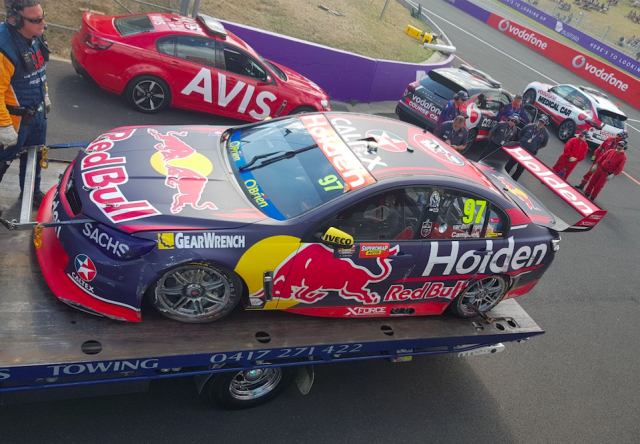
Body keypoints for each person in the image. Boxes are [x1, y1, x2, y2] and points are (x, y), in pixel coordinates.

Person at [0, 0, 49, 205]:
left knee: (34, 157)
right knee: (2, 162)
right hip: (14, 121)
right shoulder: (3, 48)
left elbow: (39, 70)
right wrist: (4, 126)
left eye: (43, 17)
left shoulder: (35, 35)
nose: (43, 23)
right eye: (36, 20)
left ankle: (31, 192)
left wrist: (45, 94)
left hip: (37, 114)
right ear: (16, 19)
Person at [505, 115, 550, 181]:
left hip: (529, 153)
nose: (540, 123)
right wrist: (522, 142)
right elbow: (520, 134)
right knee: (510, 164)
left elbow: (544, 144)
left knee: (520, 169)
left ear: (545, 124)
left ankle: (512, 181)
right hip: (520, 149)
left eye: (542, 122)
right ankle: (503, 176)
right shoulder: (529, 126)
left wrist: (535, 147)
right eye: (540, 121)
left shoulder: (546, 134)